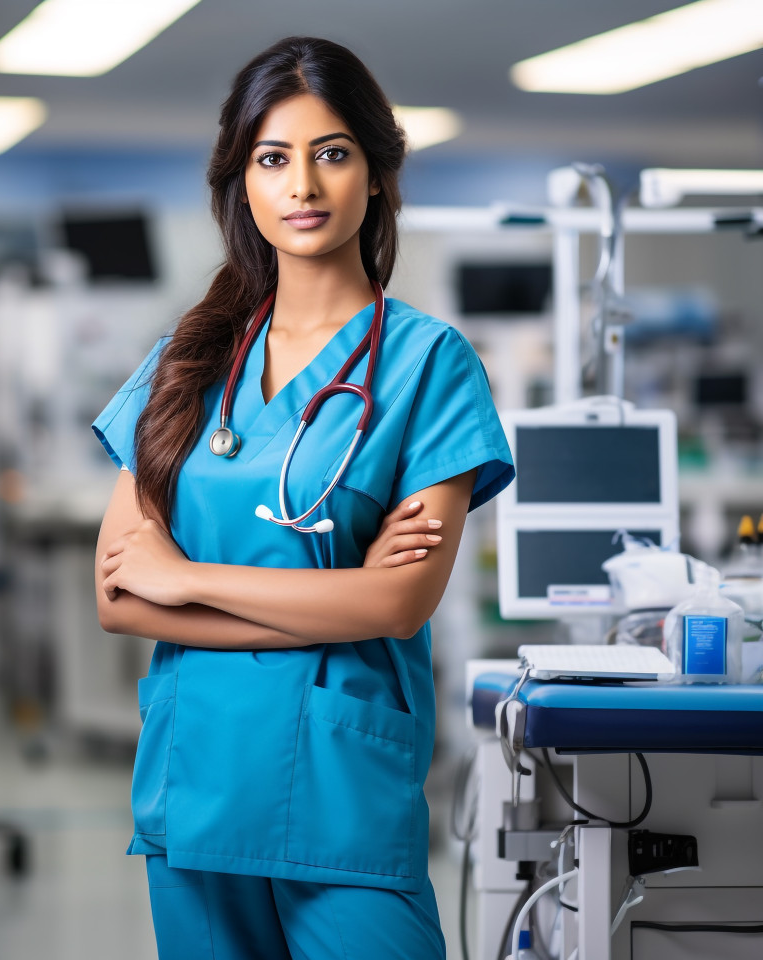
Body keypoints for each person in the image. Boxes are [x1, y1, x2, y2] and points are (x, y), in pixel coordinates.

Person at [93, 36, 514, 960]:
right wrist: (335, 602)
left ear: (377, 174)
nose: (304, 185)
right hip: (195, 784)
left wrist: (186, 578)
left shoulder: (429, 365)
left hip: (342, 797)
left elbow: (398, 603)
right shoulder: (185, 361)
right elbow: (119, 598)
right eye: (273, 159)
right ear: (240, 182)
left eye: (332, 154)